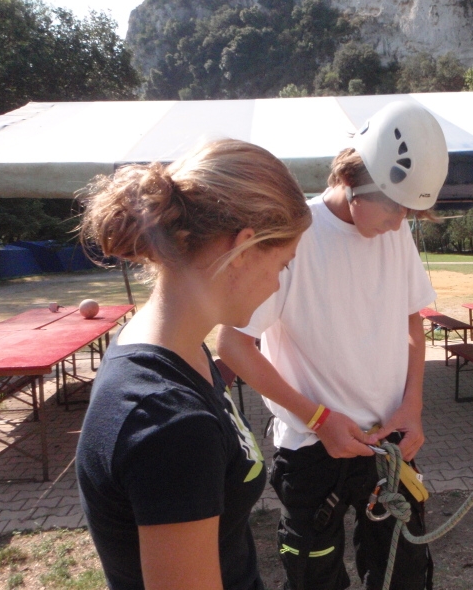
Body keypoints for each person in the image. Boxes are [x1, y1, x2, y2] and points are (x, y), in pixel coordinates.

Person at [216, 101, 449, 590]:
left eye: (410, 210)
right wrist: (320, 420)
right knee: (314, 578)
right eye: (395, 207)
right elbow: (234, 345)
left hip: (388, 442)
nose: (400, 221)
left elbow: (412, 319)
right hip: (311, 447)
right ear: (354, 182)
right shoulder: (294, 234)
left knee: (403, 575)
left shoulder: (396, 229)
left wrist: (413, 406)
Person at [75, 138, 312, 590]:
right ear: (243, 251)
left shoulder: (177, 349)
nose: (278, 284)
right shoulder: (168, 422)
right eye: (282, 265)